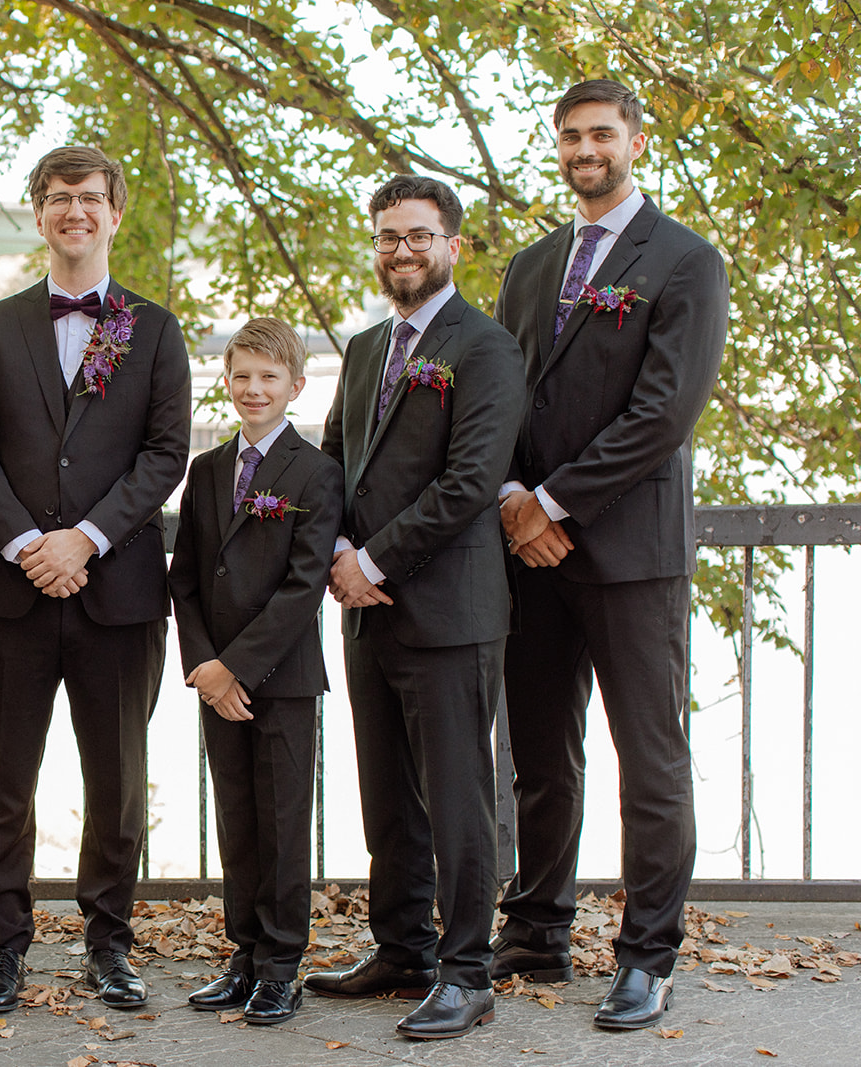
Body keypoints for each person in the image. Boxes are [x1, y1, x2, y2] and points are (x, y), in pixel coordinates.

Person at [492, 79, 727, 1029]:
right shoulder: (530, 264)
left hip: (631, 552)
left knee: (652, 758)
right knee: (542, 755)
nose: (585, 148)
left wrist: (551, 500)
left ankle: (647, 953)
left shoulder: (684, 261)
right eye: (570, 135)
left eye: (601, 132)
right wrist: (512, 498)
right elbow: (500, 395)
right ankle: (538, 928)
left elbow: (662, 414)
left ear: (634, 141)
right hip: (529, 556)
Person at [0, 145, 192, 1012]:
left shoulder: (152, 329)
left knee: (116, 779)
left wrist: (84, 539)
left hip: (118, 593)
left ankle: (107, 944)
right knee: (3, 780)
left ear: (116, 212)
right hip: (12, 593)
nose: (74, 211)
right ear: (40, 212)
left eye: (90, 197)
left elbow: (167, 454)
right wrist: (26, 544)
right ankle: (4, 947)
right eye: (58, 198)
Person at [306, 175, 525, 1041]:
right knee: (387, 791)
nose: (402, 250)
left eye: (419, 235)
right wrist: (334, 554)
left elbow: (471, 481)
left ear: (453, 247)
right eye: (389, 236)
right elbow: (330, 464)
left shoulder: (487, 348)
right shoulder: (365, 350)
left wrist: (374, 557)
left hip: (450, 609)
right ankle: (402, 948)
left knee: (460, 796)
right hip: (366, 609)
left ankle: (467, 970)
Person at [167, 318, 341, 1026]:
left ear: (295, 385)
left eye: (269, 377)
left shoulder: (316, 471)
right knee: (237, 820)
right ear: (228, 381)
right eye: (241, 375)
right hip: (215, 678)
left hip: (285, 678)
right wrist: (206, 665)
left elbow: (304, 586)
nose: (253, 388)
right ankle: (242, 955)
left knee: (282, 820)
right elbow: (183, 578)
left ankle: (280, 964)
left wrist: (237, 666)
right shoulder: (207, 470)